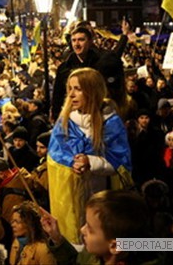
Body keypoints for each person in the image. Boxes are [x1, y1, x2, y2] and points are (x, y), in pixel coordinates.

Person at [47, 67, 132, 245]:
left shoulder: (111, 123)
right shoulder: (64, 121)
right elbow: (55, 154)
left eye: (78, 89)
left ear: (93, 91)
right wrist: (71, 162)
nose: (71, 95)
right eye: (69, 89)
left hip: (102, 199)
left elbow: (120, 163)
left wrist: (90, 162)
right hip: (73, 202)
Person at [41, 190, 158, 264]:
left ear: (115, 246)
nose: (82, 230)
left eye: (90, 229)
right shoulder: (93, 254)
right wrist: (57, 238)